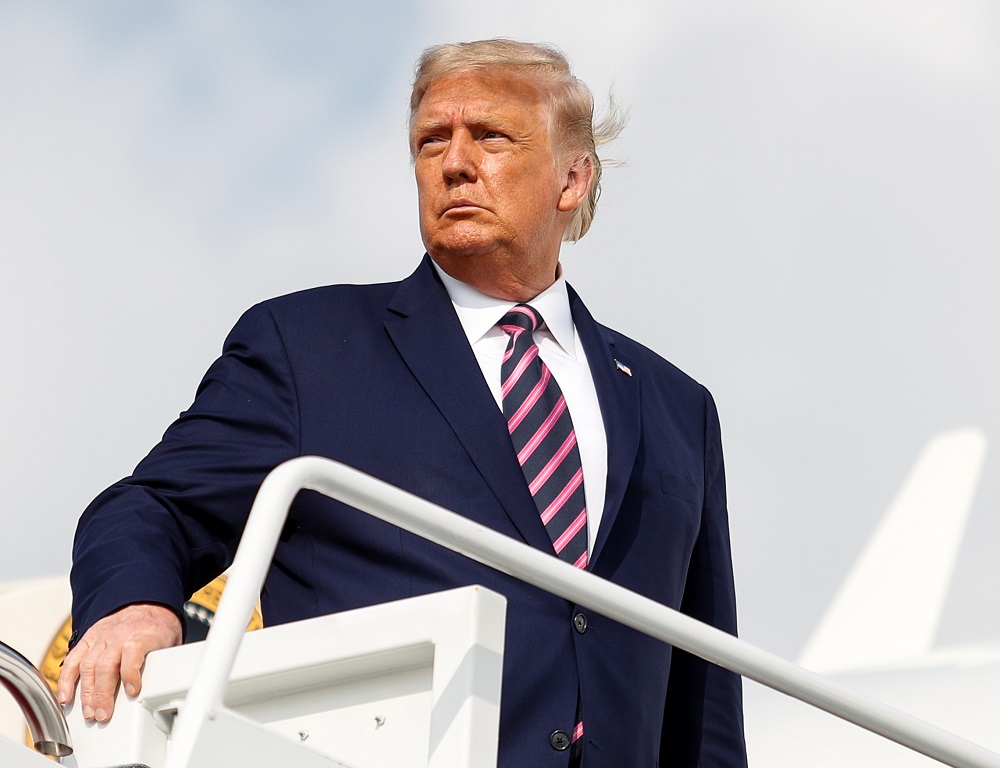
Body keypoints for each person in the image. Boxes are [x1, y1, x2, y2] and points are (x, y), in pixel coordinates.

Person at [58, 39, 747, 766]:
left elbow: (704, 699)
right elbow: (151, 507)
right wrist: (135, 605)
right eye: (430, 141)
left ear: (572, 178)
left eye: (490, 136)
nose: (453, 162)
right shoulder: (309, 349)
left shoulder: (678, 408)